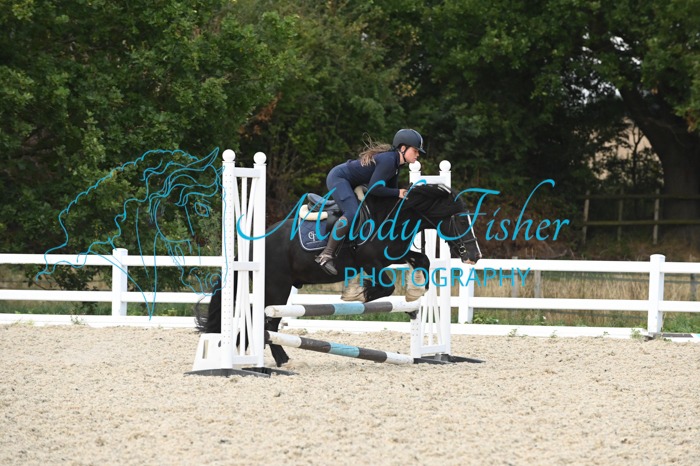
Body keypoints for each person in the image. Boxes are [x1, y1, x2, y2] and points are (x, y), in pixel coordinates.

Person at [315, 128, 426, 275]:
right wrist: (398, 192)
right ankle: (326, 255)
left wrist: (403, 196)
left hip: (349, 181)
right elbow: (375, 188)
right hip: (339, 178)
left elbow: (390, 194)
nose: (418, 154)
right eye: (415, 150)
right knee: (352, 213)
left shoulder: (396, 165)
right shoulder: (389, 160)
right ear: (403, 148)